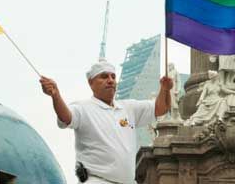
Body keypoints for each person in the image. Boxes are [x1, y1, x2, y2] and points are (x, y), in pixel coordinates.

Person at [40, 60, 172, 184]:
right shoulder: (83, 108)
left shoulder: (128, 108)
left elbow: (161, 108)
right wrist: (55, 95)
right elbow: (66, 117)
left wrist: (165, 89)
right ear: (91, 83)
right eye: (104, 77)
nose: (110, 80)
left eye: (113, 77)